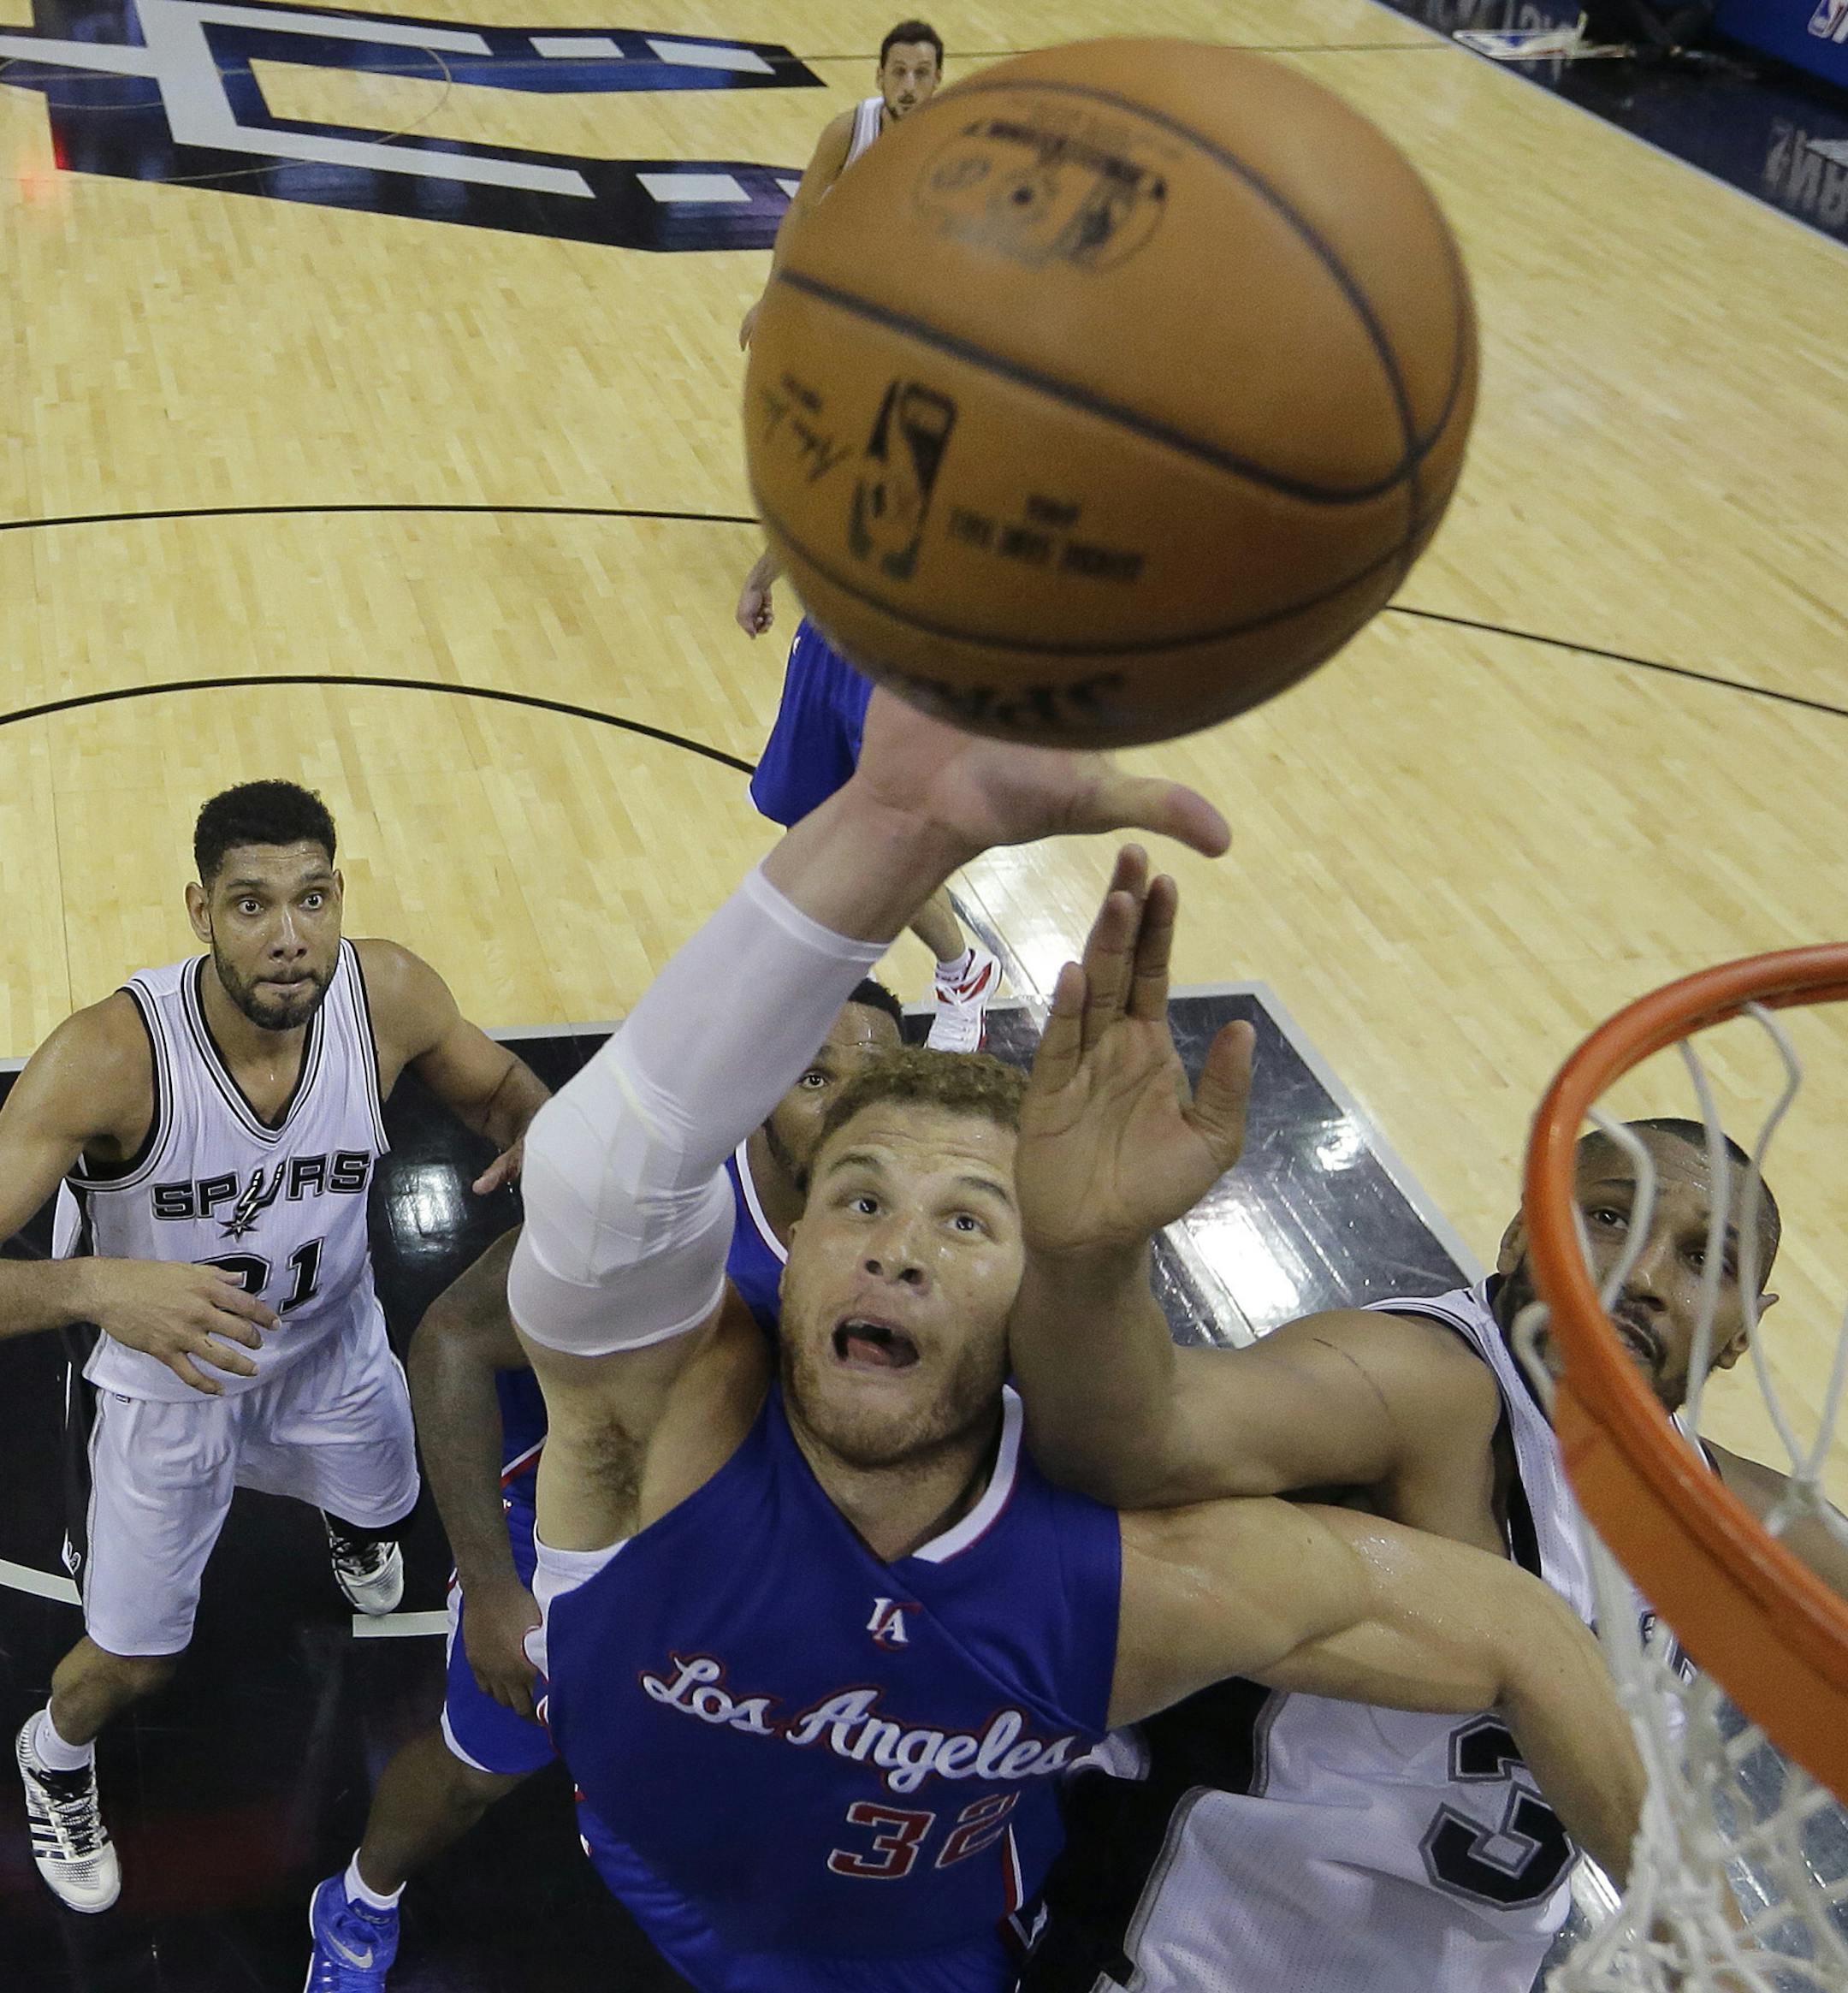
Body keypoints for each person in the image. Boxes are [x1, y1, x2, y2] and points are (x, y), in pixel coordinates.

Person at [474, 692, 1641, 1993]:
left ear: (1030, 1296)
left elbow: (1521, 1633)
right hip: (647, 1875)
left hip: (932, 1960)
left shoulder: (1126, 1584)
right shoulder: (660, 1432)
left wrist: (1705, 1921)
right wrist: (889, 826)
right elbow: (596, 1178)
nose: (900, 1246)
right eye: (860, 1197)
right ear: (789, 1243)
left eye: (970, 1221)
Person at [1004, 856, 1847, 1993]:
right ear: (1517, 1235)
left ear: (1746, 1330)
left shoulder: (1745, 1519)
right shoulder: (1417, 1381)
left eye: (1707, 1261)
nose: (1643, 1275)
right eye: (1610, 1216)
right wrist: (1089, 1253)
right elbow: (1136, 1437)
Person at [2, 780, 549, 1916]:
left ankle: (345, 1530)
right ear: (200, 910)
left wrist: (544, 1140)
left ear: (339, 894)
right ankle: (52, 1753)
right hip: (167, 1389)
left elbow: (498, 1086)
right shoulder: (108, 1055)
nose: (288, 934)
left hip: (331, 1349)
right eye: (251, 904)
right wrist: (100, 1286)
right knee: (137, 1661)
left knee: (385, 1499)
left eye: (310, 897)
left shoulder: (386, 991)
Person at [302, 982, 905, 1990]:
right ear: (758, 1091)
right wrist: (494, 1586)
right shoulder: (663, 1217)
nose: (847, 1105)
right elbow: (450, 1337)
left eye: (874, 1080)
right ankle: (361, 1897)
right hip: (581, 1556)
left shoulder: (910, 1240)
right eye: (814, 1076)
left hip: (754, 1572)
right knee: (472, 1774)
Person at [738, 548, 1000, 1053]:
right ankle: (844, 972)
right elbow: (816, 510)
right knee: (810, 819)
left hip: (907, 660)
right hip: (826, 637)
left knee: (887, 840)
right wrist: (760, 578)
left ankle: (962, 974)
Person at [737, 20, 944, 351]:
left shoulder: (954, 142)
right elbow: (801, 211)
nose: (908, 86)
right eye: (898, 72)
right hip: (834, 279)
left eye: (921, 74)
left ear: (937, 80)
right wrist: (771, 298)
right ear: (880, 77)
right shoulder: (847, 133)